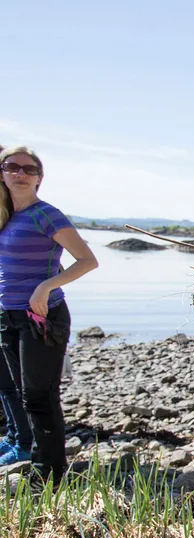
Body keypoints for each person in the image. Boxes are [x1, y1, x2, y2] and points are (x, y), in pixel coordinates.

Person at [0, 147, 98, 483]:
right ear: (2, 173)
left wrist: (46, 286)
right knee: (23, 394)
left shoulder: (47, 215)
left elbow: (87, 260)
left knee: (40, 396)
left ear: (39, 178)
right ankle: (40, 462)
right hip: (8, 315)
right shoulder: (5, 215)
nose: (20, 174)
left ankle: (50, 475)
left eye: (29, 169)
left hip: (42, 316)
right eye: (12, 167)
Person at [0, 144, 33, 463]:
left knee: (15, 382)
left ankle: (24, 442)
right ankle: (14, 435)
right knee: (3, 380)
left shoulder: (26, 213)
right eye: (10, 168)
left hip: (17, 307)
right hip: (6, 304)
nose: (17, 174)